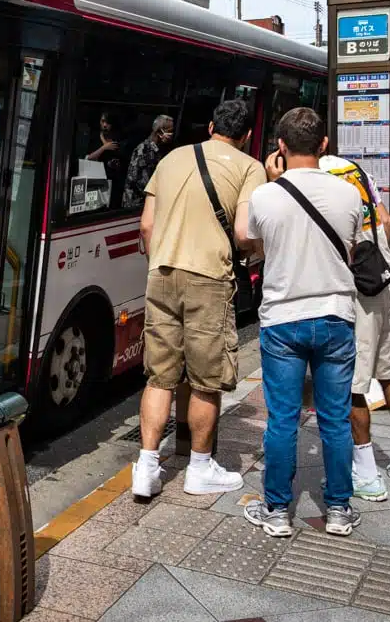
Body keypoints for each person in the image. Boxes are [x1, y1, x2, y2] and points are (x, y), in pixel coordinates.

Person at [240, 107, 363, 537]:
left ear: (280, 146)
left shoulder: (265, 195)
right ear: (325, 146)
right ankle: (339, 509)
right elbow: (351, 245)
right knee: (335, 419)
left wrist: (274, 183)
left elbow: (253, 242)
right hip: (335, 315)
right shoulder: (349, 194)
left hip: (282, 318)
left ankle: (277, 510)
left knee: (282, 420)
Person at [132, 100, 264, 498]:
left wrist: (162, 260)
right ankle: (200, 468)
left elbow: (146, 224)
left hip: (161, 272)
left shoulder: (171, 158)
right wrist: (253, 251)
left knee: (160, 377)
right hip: (208, 277)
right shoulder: (249, 167)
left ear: (210, 126)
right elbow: (242, 233)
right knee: (207, 379)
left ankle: (147, 467)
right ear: (246, 136)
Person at [319, 151, 390, 500]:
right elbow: (386, 221)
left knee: (352, 383)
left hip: (359, 289)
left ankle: (366, 473)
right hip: (385, 277)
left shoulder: (315, 177)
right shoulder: (353, 169)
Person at [122, 115, 174, 209]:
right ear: (159, 132)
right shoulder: (143, 150)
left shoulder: (159, 149)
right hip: (136, 205)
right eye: (169, 131)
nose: (171, 134)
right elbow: (138, 180)